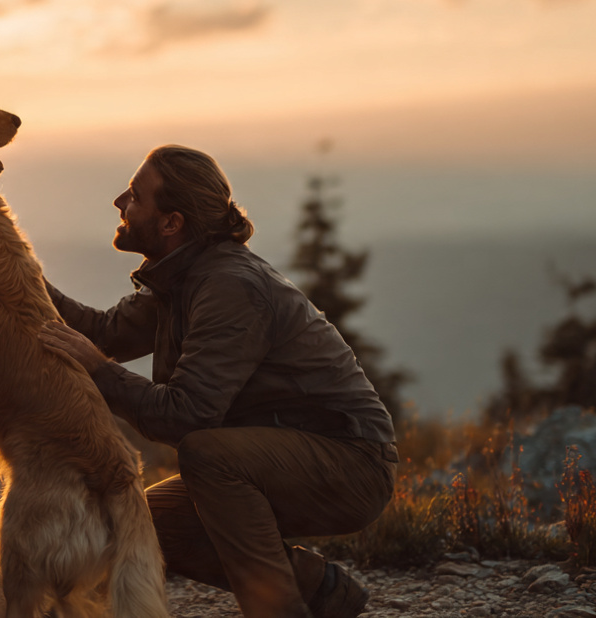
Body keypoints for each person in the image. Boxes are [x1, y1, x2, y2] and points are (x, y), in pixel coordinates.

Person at [38, 145, 397, 618]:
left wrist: (100, 372)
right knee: (143, 523)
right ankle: (322, 591)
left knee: (206, 453)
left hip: (351, 463)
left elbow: (188, 415)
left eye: (135, 195)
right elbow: (104, 334)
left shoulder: (229, 286)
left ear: (172, 222)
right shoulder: (182, 276)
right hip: (286, 454)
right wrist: (15, 270)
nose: (119, 203)